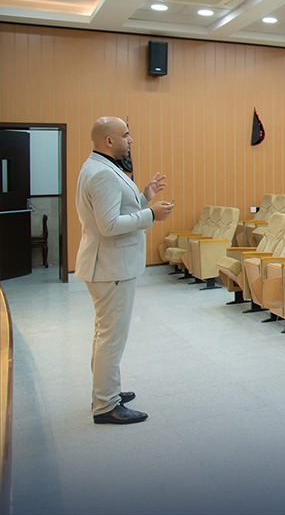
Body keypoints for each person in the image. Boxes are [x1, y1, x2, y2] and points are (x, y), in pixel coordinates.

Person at [76, 116, 174, 425]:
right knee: (111, 337)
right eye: (125, 135)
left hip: (108, 265)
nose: (130, 140)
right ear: (109, 140)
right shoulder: (102, 174)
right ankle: (105, 404)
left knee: (106, 333)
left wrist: (144, 197)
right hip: (111, 266)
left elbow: (118, 210)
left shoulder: (100, 167)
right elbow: (109, 225)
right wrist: (150, 214)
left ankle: (107, 391)